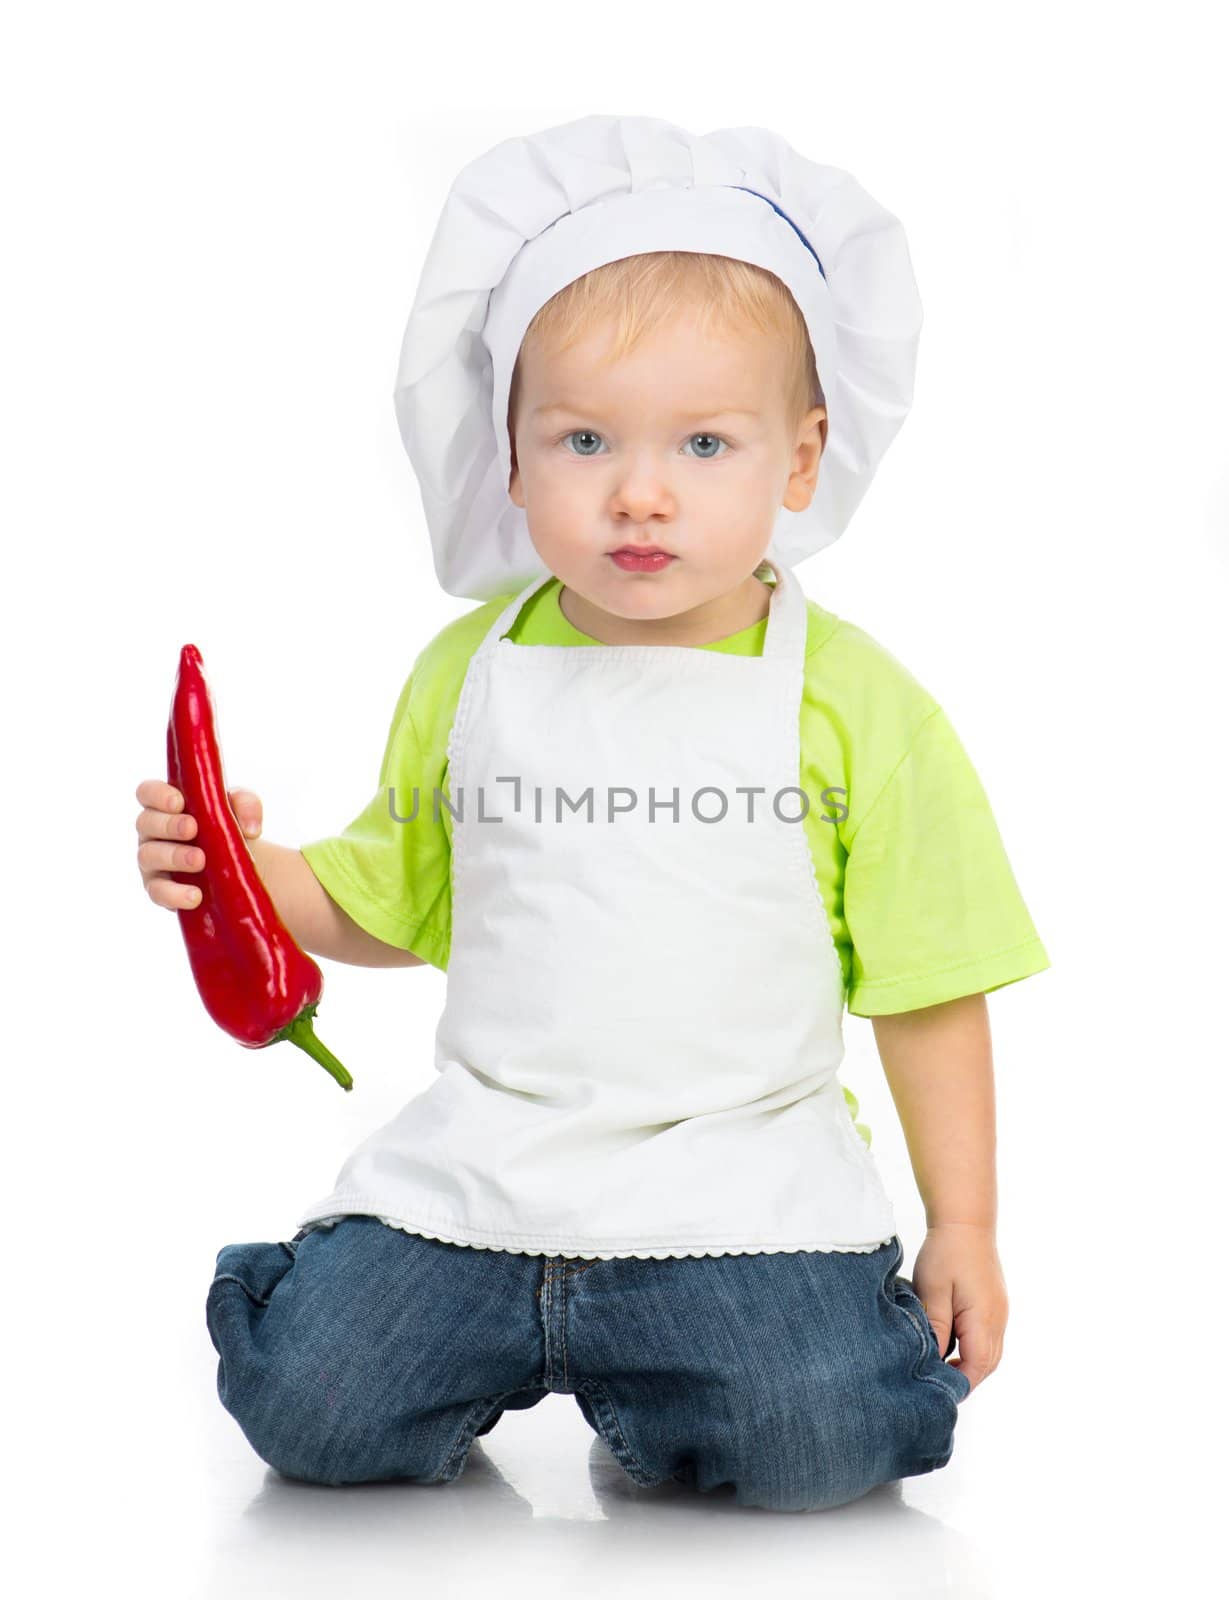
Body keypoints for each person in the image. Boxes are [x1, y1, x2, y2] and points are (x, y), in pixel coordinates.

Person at [134, 114, 1049, 1511]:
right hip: (484, 1181)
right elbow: (393, 904)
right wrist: (246, 872)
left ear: (798, 462)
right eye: (581, 438)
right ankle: (475, 1328)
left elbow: (928, 989)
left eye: (702, 441)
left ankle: (688, 1375)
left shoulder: (854, 701)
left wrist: (963, 1222)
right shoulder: (472, 671)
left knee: (816, 1444)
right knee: (312, 1411)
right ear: (506, 455)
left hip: (741, 1198)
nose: (639, 490)